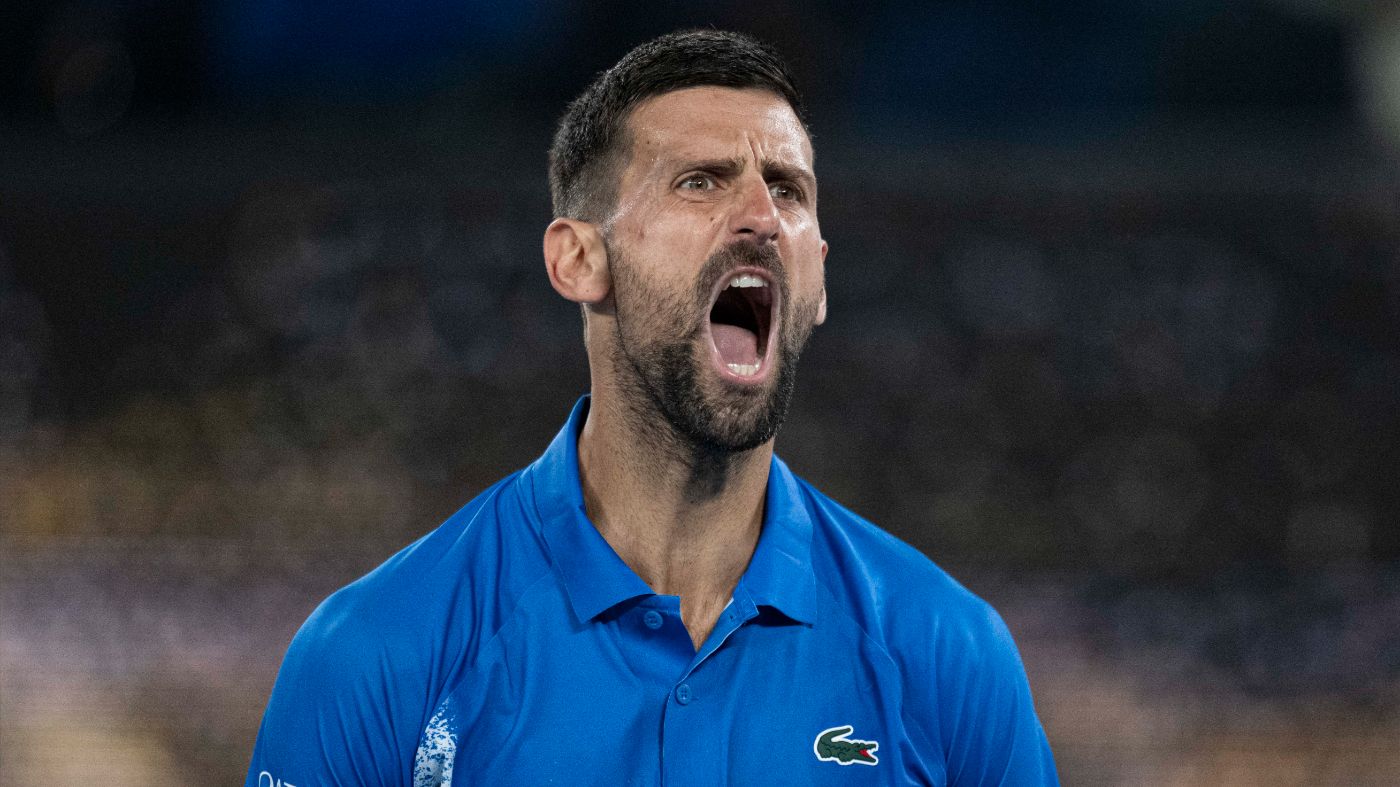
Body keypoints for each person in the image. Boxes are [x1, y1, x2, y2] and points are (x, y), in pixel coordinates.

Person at [246, 29, 1058, 786]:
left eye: (787, 190)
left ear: (817, 279)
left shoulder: (947, 655)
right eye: (700, 181)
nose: (761, 217)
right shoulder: (379, 651)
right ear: (578, 259)